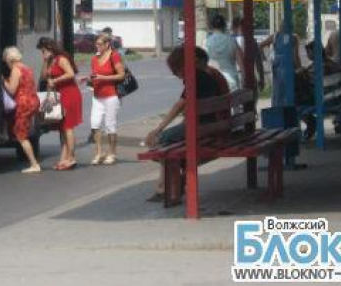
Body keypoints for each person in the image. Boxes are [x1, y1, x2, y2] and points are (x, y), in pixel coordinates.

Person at [143, 46, 229, 201]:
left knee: (160, 141)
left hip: (204, 129)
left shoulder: (196, 76)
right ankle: (167, 185)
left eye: (176, 71)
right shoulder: (210, 75)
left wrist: (158, 129)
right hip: (216, 126)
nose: (177, 75)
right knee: (168, 145)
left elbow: (179, 106)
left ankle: (166, 187)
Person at [37, 37, 82, 170]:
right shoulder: (50, 61)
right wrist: (45, 61)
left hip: (69, 93)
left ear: (50, 48)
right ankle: (63, 158)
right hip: (58, 95)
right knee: (62, 127)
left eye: (44, 50)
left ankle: (71, 157)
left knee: (68, 126)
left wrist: (56, 81)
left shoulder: (61, 59)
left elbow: (71, 74)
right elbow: (43, 77)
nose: (42, 53)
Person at [2, 47, 42, 173]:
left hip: (23, 104)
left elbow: (12, 90)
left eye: (6, 61)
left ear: (9, 60)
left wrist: (3, 81)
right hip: (32, 101)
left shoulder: (15, 70)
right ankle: (34, 163)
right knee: (24, 131)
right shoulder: (26, 68)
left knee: (21, 136)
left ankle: (34, 164)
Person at [89, 33, 126, 165]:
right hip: (97, 96)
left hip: (111, 96)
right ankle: (99, 152)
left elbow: (121, 75)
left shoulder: (114, 56)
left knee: (110, 126)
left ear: (107, 44)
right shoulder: (94, 58)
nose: (97, 46)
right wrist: (88, 79)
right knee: (94, 124)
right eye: (96, 44)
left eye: (99, 44)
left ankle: (112, 153)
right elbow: (94, 75)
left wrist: (103, 78)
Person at [260, 22, 302, 107]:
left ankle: (277, 109)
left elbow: (261, 45)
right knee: (288, 89)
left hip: (277, 64)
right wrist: (299, 67)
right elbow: (295, 56)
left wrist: (264, 58)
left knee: (277, 89)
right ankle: (288, 109)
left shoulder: (275, 36)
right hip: (289, 64)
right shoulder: (294, 37)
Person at [205, 14, 244, 91]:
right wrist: (244, 79)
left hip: (214, 80)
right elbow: (241, 63)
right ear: (224, 26)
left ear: (211, 26)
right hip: (231, 79)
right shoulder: (232, 41)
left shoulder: (206, 42)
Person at [231, 16, 266, 91]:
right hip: (250, 76)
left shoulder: (229, 41)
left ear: (234, 27)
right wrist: (262, 78)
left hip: (233, 77)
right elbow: (258, 62)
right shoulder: (251, 41)